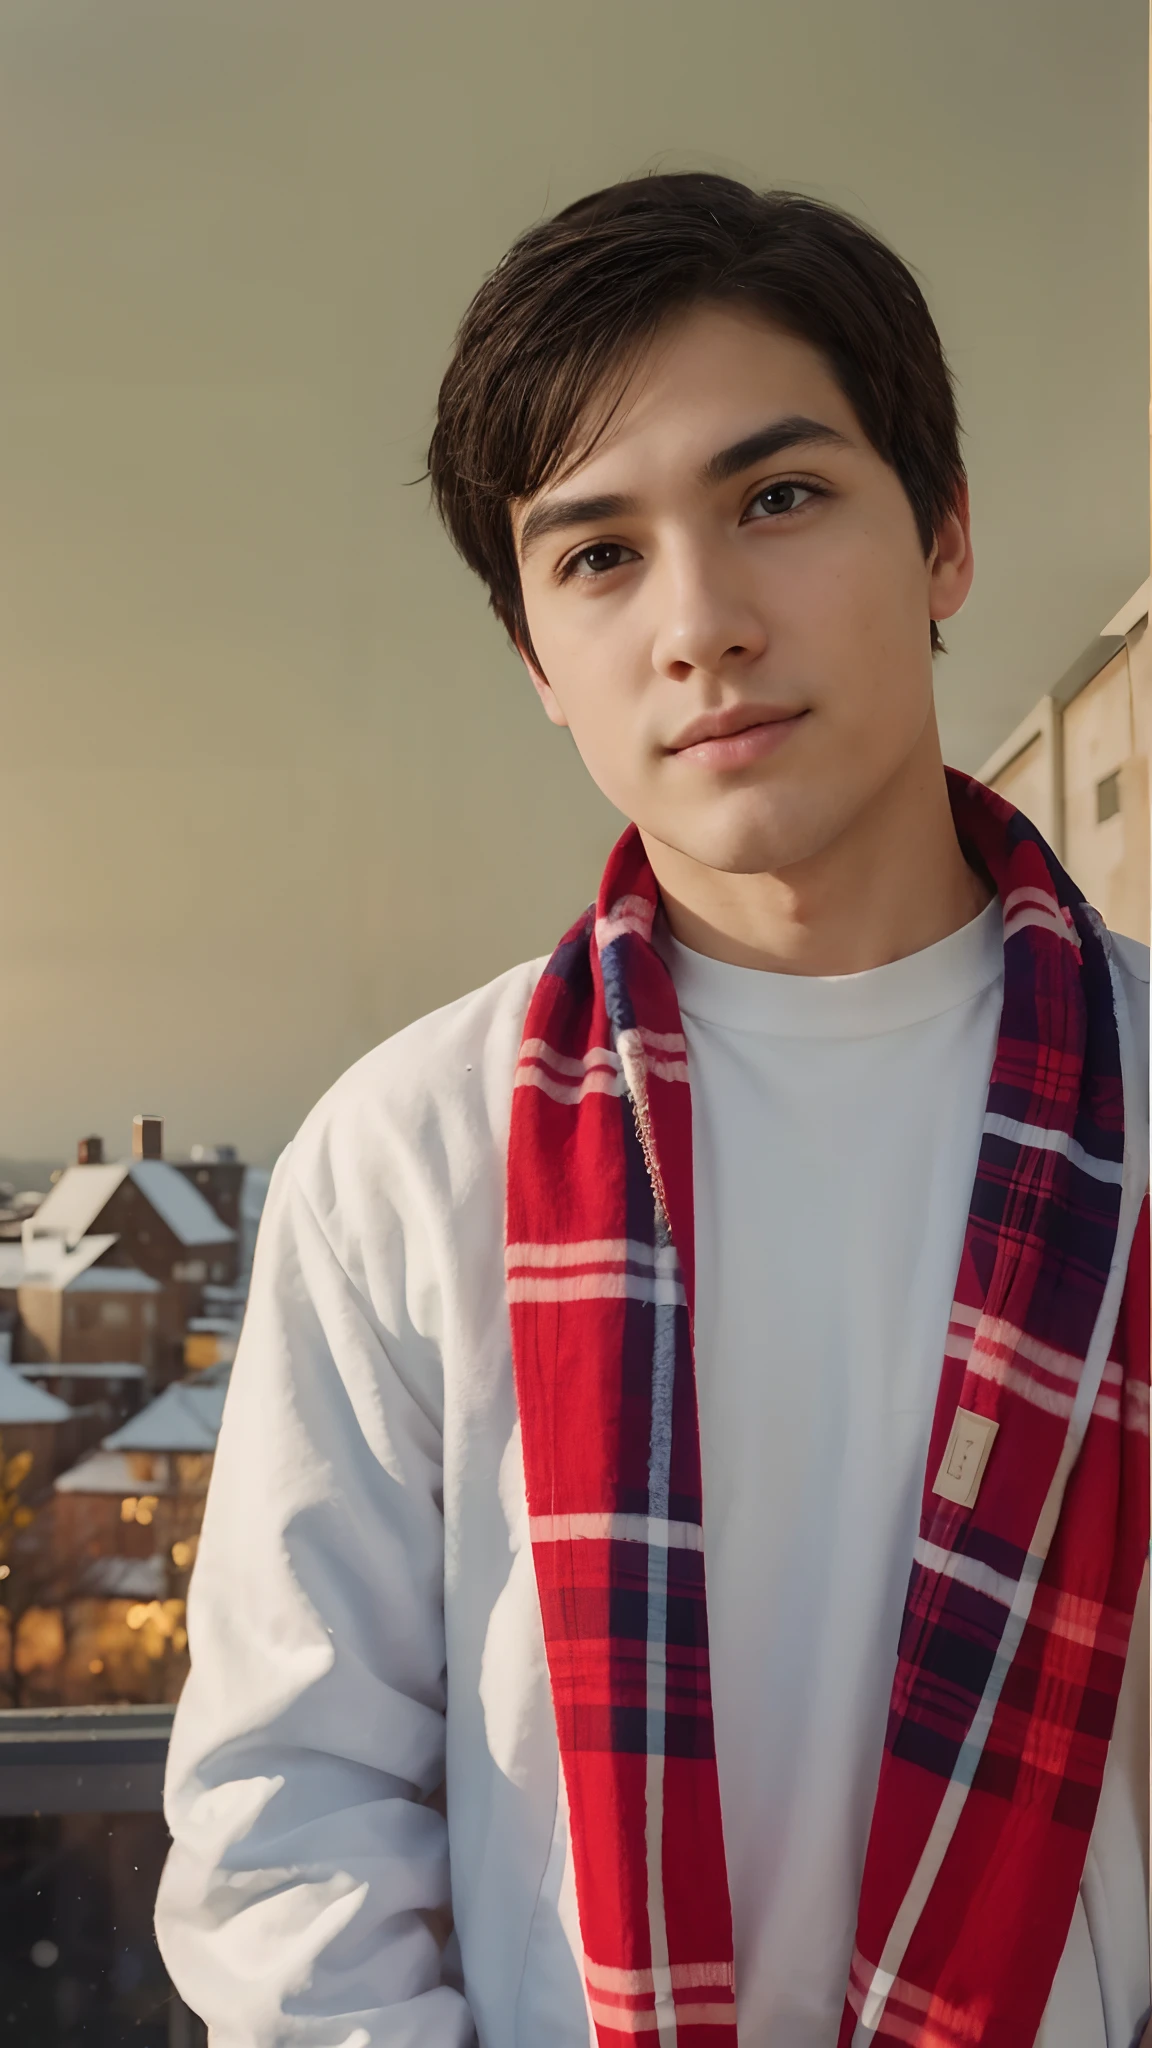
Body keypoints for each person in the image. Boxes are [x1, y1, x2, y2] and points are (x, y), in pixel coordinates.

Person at [155, 175, 1150, 2048]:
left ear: (942, 536)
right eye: (598, 555)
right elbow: (293, 1823)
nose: (701, 623)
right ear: (540, 658)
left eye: (779, 499)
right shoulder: (410, 1156)